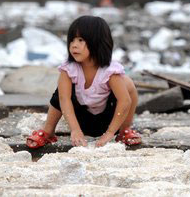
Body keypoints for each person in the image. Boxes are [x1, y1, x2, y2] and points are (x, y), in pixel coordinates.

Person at [26, 15, 141, 148]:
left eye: (80, 40)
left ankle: (124, 131)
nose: (74, 45)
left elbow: (125, 101)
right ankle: (47, 131)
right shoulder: (68, 70)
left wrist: (110, 133)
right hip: (81, 119)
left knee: (127, 84)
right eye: (72, 40)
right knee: (61, 92)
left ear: (98, 42)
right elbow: (64, 100)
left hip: (109, 120)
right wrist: (75, 130)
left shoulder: (110, 71)